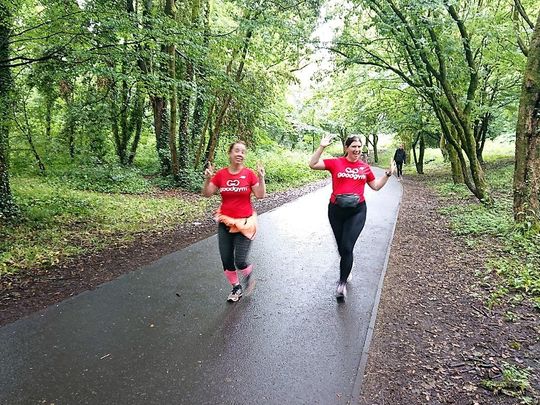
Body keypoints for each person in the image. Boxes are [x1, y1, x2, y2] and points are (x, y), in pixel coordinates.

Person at [309, 134, 396, 301]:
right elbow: (312, 164)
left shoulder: (364, 167)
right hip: (336, 210)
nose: (356, 150)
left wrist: (387, 174)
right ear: (346, 148)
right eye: (353, 147)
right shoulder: (336, 163)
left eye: (359, 147)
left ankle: (341, 284)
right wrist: (322, 147)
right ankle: (348, 264)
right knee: (342, 248)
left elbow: (376, 186)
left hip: (357, 211)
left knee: (347, 247)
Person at [202, 141, 266, 302]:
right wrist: (208, 179)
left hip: (244, 224)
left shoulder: (249, 174)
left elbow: (260, 195)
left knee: (240, 260)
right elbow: (207, 193)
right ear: (229, 153)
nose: (239, 154)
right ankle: (236, 288)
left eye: (243, 152)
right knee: (226, 259)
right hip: (225, 222)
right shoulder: (221, 174)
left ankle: (248, 277)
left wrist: (261, 178)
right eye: (236, 151)